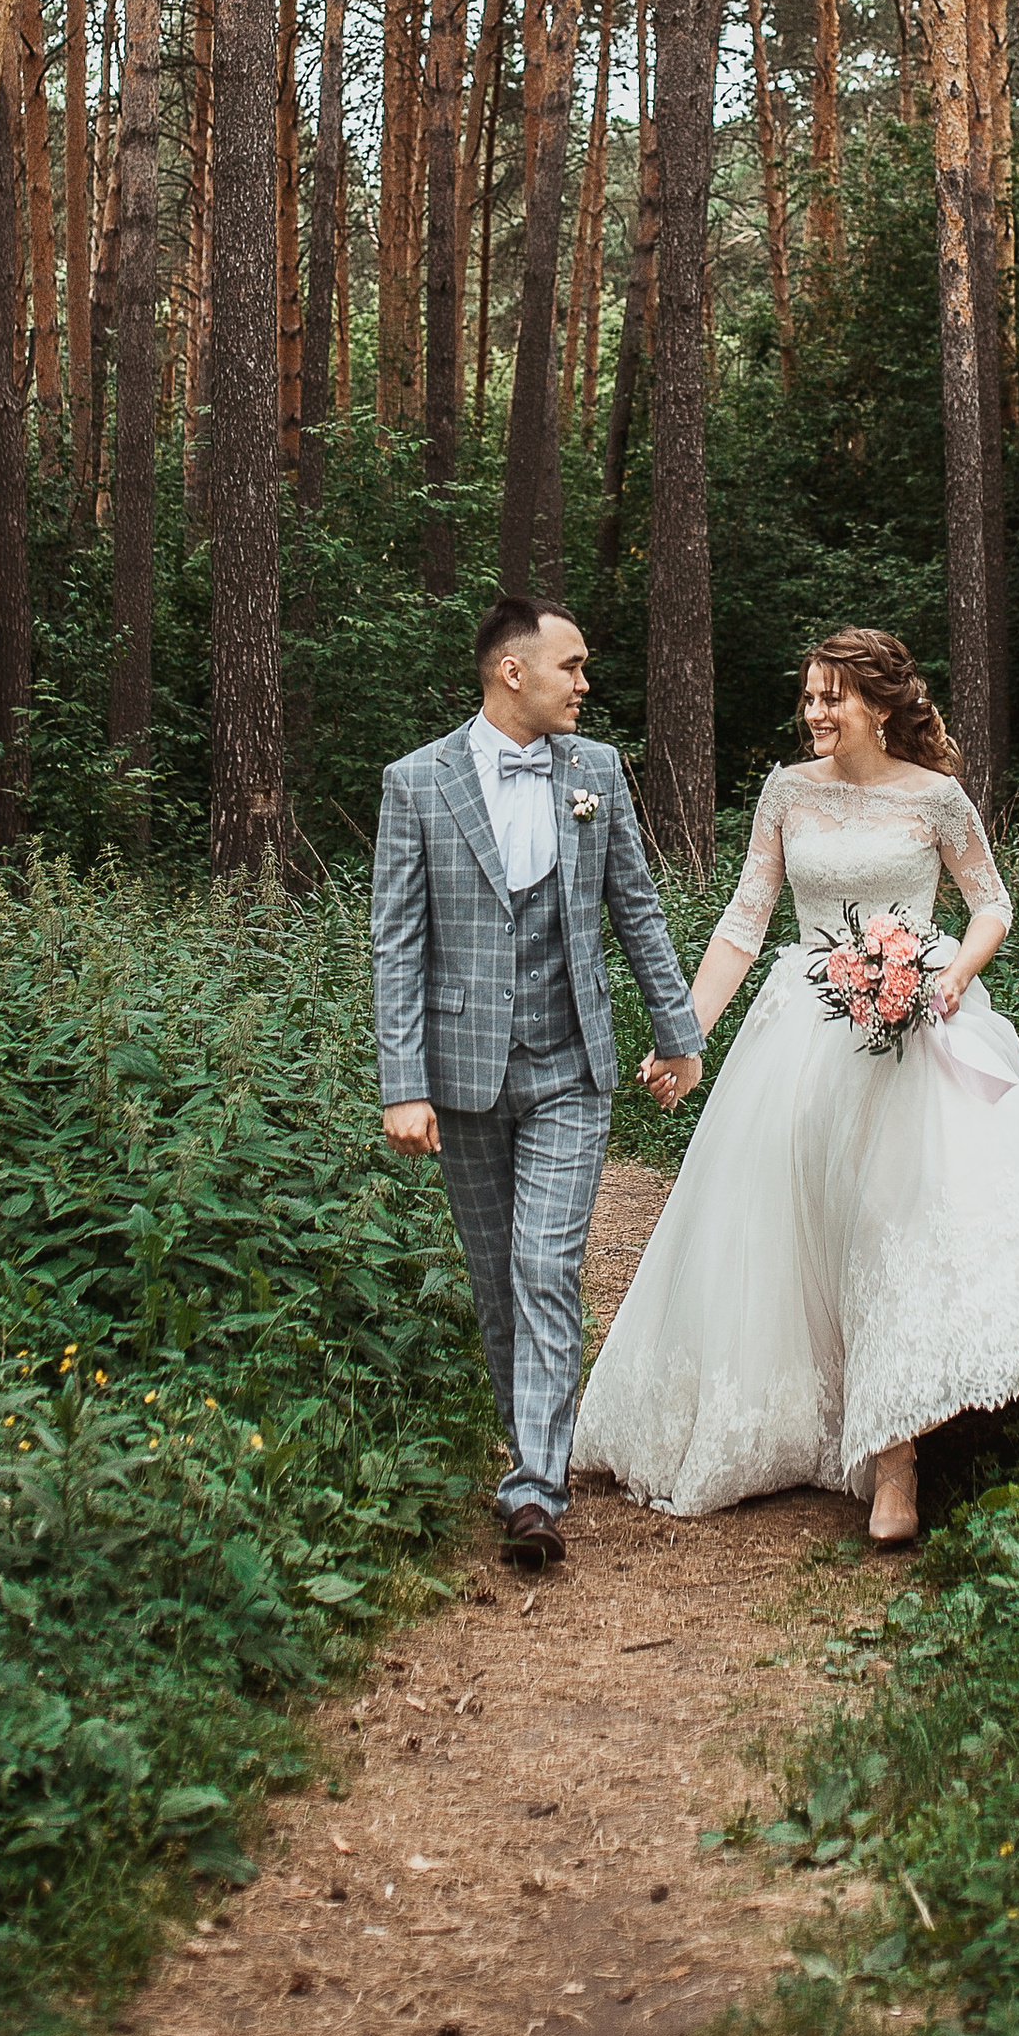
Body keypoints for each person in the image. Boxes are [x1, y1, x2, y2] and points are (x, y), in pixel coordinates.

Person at [573, 627, 1019, 1545]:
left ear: (879, 707)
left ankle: (898, 1462)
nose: (814, 712)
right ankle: (809, 1420)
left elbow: (992, 904)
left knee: (895, 1225)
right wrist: (685, 1037)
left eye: (831, 697)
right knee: (807, 1227)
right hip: (804, 1031)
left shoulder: (936, 798)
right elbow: (744, 923)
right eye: (808, 696)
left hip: (914, 1028)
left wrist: (952, 975)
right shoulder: (786, 792)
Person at [373, 593, 704, 1571]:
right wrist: (402, 1083)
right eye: (573, 665)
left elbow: (636, 909)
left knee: (544, 1266)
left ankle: (534, 1488)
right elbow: (397, 945)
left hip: (571, 1066)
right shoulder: (416, 783)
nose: (585, 683)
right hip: (462, 1076)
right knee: (494, 1280)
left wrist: (677, 1033)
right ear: (512, 671)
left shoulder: (595, 771)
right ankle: (529, 1447)